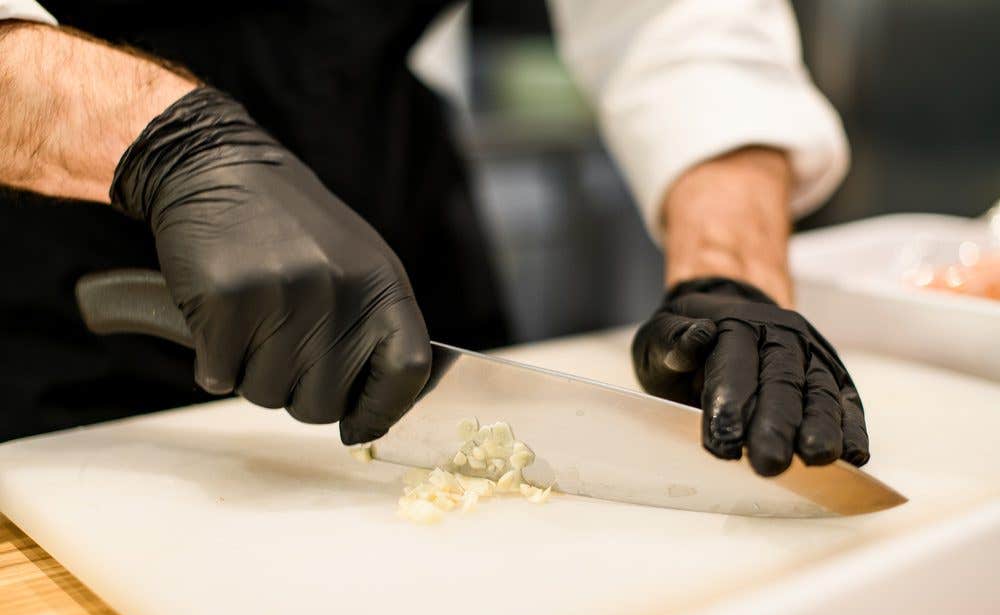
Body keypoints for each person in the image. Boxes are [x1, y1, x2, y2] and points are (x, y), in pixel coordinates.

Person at [0, 0, 868, 476]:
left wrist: (730, 273)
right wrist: (164, 143)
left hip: (398, 228)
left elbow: (672, 18)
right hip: (45, 268)